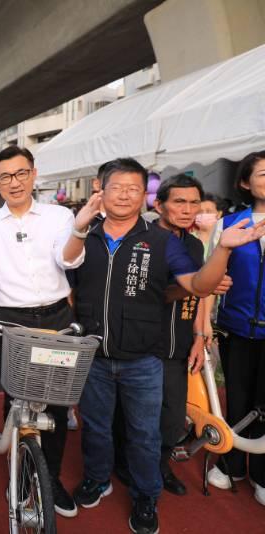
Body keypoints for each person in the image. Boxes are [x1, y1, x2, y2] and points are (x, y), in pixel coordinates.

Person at [68, 157, 263, 533]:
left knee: (145, 432)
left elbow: (198, 286)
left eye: (134, 189)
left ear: (145, 196)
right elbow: (68, 285)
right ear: (101, 190)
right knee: (95, 426)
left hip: (144, 359)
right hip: (93, 355)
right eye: (116, 187)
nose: (124, 195)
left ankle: (145, 497)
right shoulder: (84, 235)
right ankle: (96, 478)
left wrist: (222, 248)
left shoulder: (160, 241)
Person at [0, 145, 97, 519]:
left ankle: (49, 476)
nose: (14, 182)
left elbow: (67, 259)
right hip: (12, 321)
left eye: (21, 173)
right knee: (19, 397)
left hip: (56, 317)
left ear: (34, 174)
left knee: (54, 402)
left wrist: (81, 229)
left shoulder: (58, 215)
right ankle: (20, 473)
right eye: (6, 177)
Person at [115, 174, 208, 497]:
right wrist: (186, 287)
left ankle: (160, 465)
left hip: (179, 344)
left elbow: (201, 295)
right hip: (142, 345)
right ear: (159, 204)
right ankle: (125, 465)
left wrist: (199, 336)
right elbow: (135, 294)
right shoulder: (142, 240)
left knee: (170, 417)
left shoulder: (194, 245)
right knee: (132, 416)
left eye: (194, 202)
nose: (187, 209)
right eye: (179, 202)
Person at [206, 150, 265, 506]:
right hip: (237, 328)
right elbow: (211, 273)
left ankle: (261, 473)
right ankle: (231, 465)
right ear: (245, 182)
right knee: (238, 397)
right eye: (262, 174)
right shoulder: (229, 224)